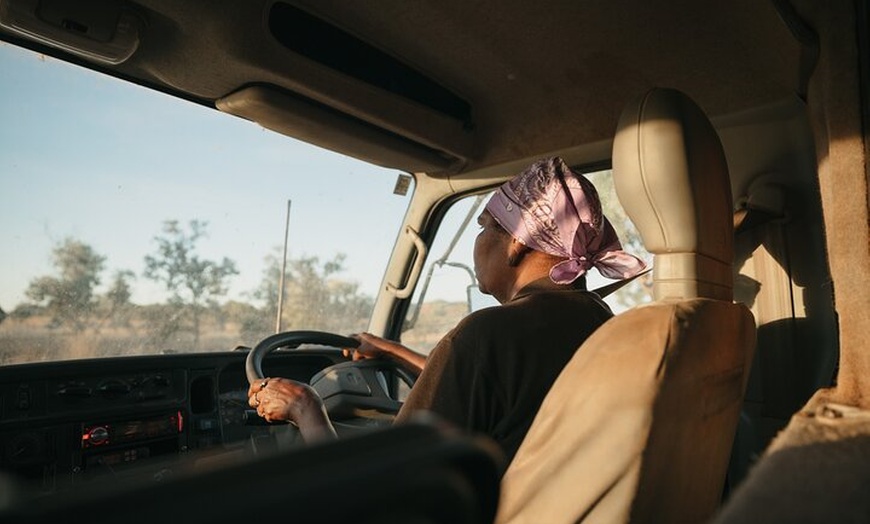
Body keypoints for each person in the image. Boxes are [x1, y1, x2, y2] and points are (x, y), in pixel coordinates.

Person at [248, 156, 647, 465]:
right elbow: (495, 384)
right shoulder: (599, 321)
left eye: (485, 226)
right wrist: (392, 351)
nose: (476, 241)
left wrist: (306, 408)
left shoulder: (487, 334)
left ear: (517, 244)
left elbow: (391, 489)